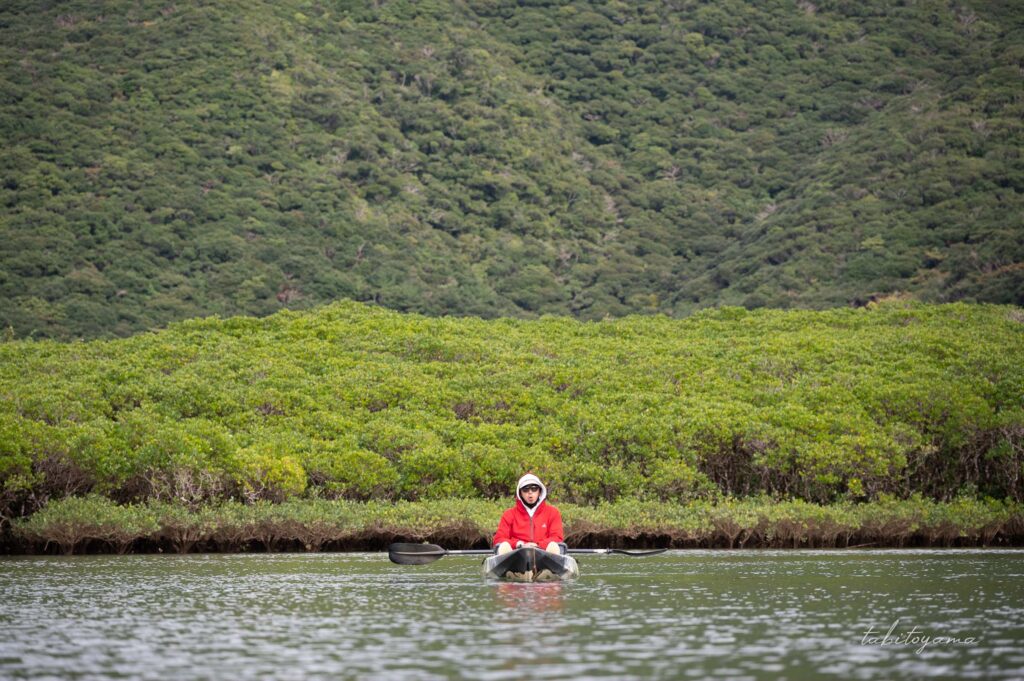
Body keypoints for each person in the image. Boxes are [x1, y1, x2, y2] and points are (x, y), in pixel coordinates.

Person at [493, 473, 565, 555]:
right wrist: (519, 544)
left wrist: (538, 545)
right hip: (516, 554)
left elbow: (557, 537)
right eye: (525, 489)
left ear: (540, 491)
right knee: (504, 546)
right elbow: (499, 539)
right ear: (520, 493)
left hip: (544, 553)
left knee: (553, 546)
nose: (530, 492)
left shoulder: (553, 512)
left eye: (534, 489)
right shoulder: (509, 514)